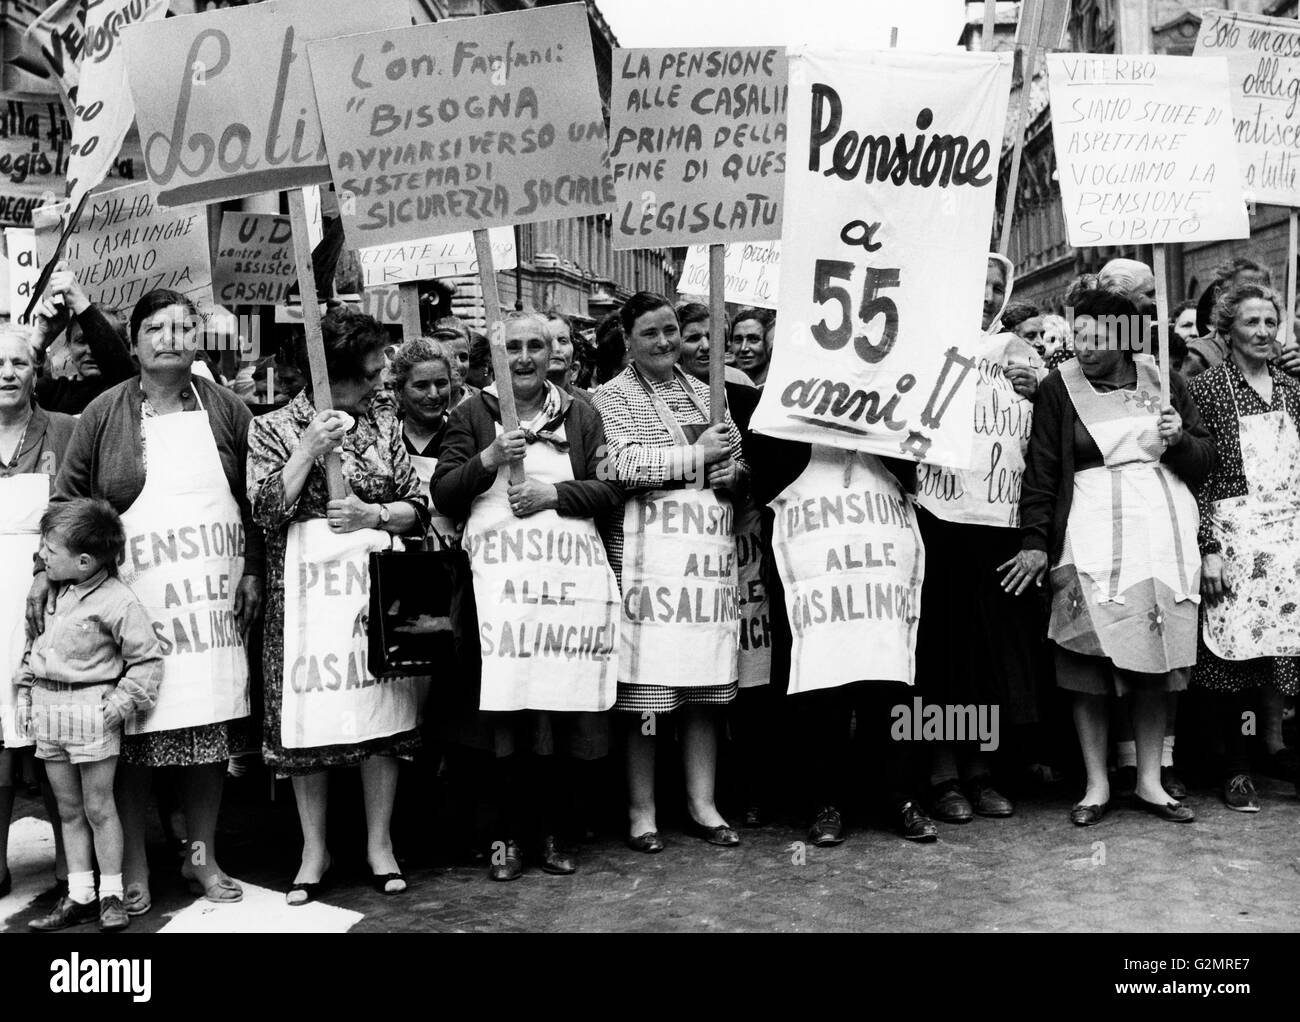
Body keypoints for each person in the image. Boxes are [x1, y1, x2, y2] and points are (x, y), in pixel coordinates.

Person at [36, 289, 263, 916]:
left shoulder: (228, 409)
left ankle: (200, 859)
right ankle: (131, 861)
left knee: (206, 734)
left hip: (212, 603)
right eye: (156, 328)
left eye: (184, 326)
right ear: (133, 341)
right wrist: (58, 576)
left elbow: (255, 505)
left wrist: (253, 574)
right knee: (131, 737)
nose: (172, 336)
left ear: (198, 339)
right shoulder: (102, 413)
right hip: (131, 604)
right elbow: (65, 502)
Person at [1009, 289, 1214, 826]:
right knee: (1087, 661)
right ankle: (1096, 783)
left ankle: (1149, 780)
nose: (1082, 346)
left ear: (1125, 338)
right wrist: (1035, 539)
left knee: (1155, 662)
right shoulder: (1060, 388)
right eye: (1078, 335)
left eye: (1096, 337)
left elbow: (1205, 461)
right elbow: (1043, 469)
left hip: (1159, 539)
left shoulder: (1163, 382)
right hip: (1090, 534)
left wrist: (1180, 441)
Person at [432, 312, 623, 879]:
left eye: (534, 346)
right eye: (510, 347)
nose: (523, 358)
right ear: (495, 356)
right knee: (504, 717)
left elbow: (610, 488)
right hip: (502, 599)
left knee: (554, 713)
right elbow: (444, 492)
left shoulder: (581, 413)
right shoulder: (473, 412)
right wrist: (488, 459)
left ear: (550, 354)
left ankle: (552, 835)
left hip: (565, 594)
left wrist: (552, 494)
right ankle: (504, 841)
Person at [248, 306, 428, 903]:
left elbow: (416, 502)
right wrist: (307, 449)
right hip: (305, 600)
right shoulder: (271, 428)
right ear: (333, 376)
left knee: (383, 714)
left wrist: (374, 514)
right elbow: (266, 511)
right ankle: (313, 848)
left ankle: (380, 843)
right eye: (371, 372)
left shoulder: (383, 421)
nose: (382, 382)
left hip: (376, 589)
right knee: (312, 715)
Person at [593, 293, 747, 852]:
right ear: (628, 338)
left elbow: (733, 456)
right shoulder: (608, 398)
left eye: (670, 332)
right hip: (646, 564)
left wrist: (733, 475)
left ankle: (702, 804)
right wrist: (694, 457)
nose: (664, 343)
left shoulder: (707, 392)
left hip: (703, 566)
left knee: (704, 690)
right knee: (648, 699)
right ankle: (642, 811)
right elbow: (619, 466)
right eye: (651, 333)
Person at [914, 255, 1043, 822]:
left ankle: (981, 771)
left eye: (997, 288)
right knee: (942, 652)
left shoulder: (1023, 355)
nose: (988, 296)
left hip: (1000, 528)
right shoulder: (922, 347)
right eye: (977, 285)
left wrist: (1036, 391)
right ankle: (940, 774)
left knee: (989, 658)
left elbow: (1046, 448)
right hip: (938, 522)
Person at [18, 500, 163, 932]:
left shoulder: (119, 602)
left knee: (100, 808)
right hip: (49, 710)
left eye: (49, 550)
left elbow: (147, 661)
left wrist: (117, 706)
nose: (42, 557)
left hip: (91, 714)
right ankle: (79, 895)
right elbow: (33, 646)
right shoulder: (53, 593)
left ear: (83, 561)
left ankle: (111, 895)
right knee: (67, 810)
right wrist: (27, 692)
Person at [1188, 283, 1300, 809]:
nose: (1262, 332)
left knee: (1282, 651)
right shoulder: (1205, 389)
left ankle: (1273, 752)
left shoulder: (1292, 390)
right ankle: (1235, 767)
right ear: (1226, 330)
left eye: (1270, 323)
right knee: (1233, 658)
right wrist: (1208, 546)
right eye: (1251, 322)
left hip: (1288, 542)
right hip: (1233, 538)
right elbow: (1199, 480)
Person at [676, 302, 771, 822]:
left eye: (717, 337)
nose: (704, 347)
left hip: (741, 545)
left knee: (749, 668)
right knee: (695, 672)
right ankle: (694, 789)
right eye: (693, 336)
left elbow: (764, 461)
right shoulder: (655, 396)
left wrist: (741, 478)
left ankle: (752, 787)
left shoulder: (742, 395)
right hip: (686, 557)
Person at [0, 325, 76, 902]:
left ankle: (69, 868)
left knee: (55, 727)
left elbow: (82, 511)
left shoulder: (67, 431)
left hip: (49, 596)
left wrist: (50, 571)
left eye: (18, 363)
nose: (6, 373)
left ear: (37, 371)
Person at [31, 263, 136, 416]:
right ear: (68, 346)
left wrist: (78, 301)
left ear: (124, 347)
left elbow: (122, 371)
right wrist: (40, 340)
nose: (91, 350)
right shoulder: (54, 393)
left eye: (98, 340)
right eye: (81, 341)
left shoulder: (133, 387)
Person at [390, 338, 459, 543]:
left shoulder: (463, 434)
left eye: (441, 384)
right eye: (421, 386)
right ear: (399, 391)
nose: (433, 394)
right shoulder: (387, 439)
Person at [544, 312, 591, 404]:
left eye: (563, 341)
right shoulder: (514, 403)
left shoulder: (592, 405)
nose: (556, 349)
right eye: (546, 341)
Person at [731, 308, 773, 386]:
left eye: (753, 339)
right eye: (738, 340)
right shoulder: (727, 381)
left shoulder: (780, 382)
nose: (743, 348)